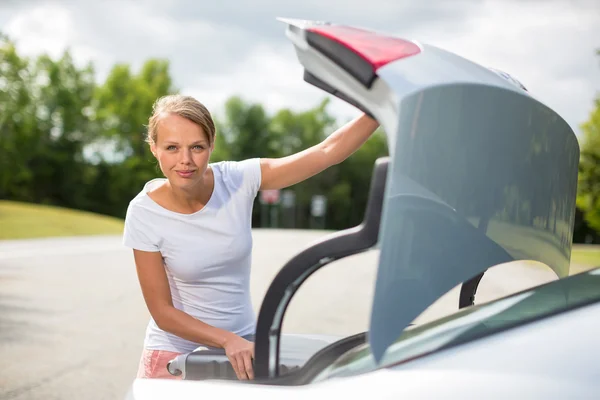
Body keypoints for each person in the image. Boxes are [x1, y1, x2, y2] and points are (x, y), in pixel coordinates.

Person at [123, 94, 379, 381]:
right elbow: (163, 313)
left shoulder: (237, 179)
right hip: (176, 357)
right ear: (154, 148)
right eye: (172, 148)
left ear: (212, 144)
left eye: (197, 147)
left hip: (244, 350)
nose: (186, 160)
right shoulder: (144, 212)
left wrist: (381, 108)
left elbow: (327, 151)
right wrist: (225, 339)